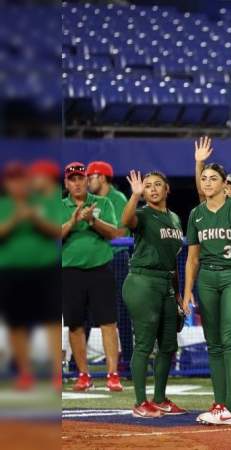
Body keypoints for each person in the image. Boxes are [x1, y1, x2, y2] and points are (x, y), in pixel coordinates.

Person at [183, 162, 231, 426]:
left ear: (224, 184)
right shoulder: (196, 214)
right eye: (203, 178)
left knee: (229, 340)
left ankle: (230, 406)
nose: (206, 182)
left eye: (212, 178)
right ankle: (220, 404)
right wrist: (186, 292)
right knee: (213, 344)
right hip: (206, 277)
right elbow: (192, 259)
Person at [120, 170, 187, 418]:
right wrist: (134, 196)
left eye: (158, 184)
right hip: (143, 281)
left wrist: (178, 294)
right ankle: (140, 402)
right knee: (145, 344)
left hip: (167, 285)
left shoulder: (175, 219)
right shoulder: (143, 214)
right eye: (148, 186)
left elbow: (174, 261)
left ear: (167, 189)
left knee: (169, 345)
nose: (153, 189)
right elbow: (126, 221)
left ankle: (159, 399)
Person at [60, 162, 124, 392]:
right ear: (66, 183)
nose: (77, 183)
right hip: (70, 271)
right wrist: (73, 221)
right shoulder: (59, 206)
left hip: (100, 269)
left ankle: (113, 374)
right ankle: (83, 374)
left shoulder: (103, 203)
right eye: (72, 179)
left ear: (87, 181)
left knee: (108, 323)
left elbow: (115, 232)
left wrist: (92, 221)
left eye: (80, 178)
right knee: (75, 324)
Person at [0, 161, 62, 390]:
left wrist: (35, 218)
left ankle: (57, 374)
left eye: (19, 179)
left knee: (52, 320)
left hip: (45, 268)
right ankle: (25, 373)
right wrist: (17, 217)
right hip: (11, 270)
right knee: (16, 322)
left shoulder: (43, 201)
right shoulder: (3, 205)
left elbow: (57, 230)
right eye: (11, 180)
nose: (16, 184)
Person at [87, 160, 133, 373]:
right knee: (86, 310)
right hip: (95, 260)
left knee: (122, 312)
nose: (87, 181)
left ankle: (130, 363)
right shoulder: (89, 200)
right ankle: (75, 365)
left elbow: (122, 233)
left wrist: (97, 231)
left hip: (117, 260)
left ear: (102, 177)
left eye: (91, 176)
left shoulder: (118, 198)